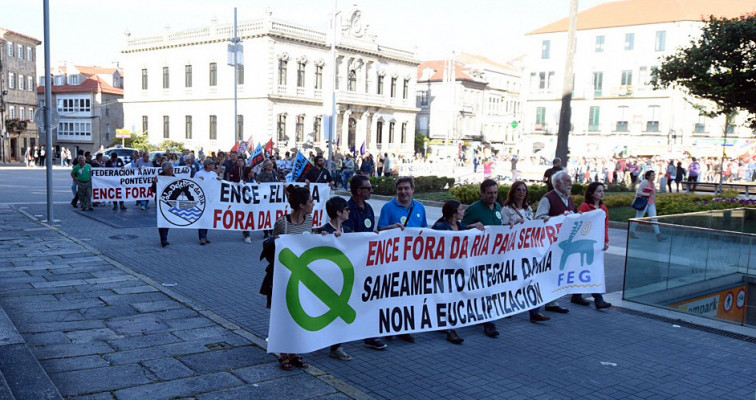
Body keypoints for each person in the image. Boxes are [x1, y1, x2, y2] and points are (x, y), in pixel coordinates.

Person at [342, 174, 389, 351]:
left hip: (368, 263)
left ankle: (369, 335)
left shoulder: (368, 208)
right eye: (368, 188)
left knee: (369, 299)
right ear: (359, 191)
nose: (371, 191)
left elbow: (371, 232)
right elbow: (349, 235)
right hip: (352, 263)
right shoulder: (347, 209)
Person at [377, 176, 426, 343]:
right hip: (393, 260)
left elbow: (425, 232)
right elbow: (379, 231)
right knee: (390, 294)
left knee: (408, 295)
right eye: (400, 189)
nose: (403, 192)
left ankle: (404, 327)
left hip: (413, 260)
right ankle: (388, 327)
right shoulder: (388, 208)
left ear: (413, 190)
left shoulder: (420, 208)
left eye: (406, 188)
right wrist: (390, 229)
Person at [271, 184, 314, 371]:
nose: (313, 204)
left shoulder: (310, 220)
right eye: (311, 201)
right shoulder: (283, 223)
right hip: (283, 276)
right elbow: (274, 248)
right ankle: (283, 353)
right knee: (284, 315)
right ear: (301, 205)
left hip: (302, 276)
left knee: (298, 314)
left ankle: (294, 352)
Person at [432, 200, 484, 344]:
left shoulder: (459, 226)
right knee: (448, 299)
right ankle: (450, 330)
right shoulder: (440, 227)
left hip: (457, 270)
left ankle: (446, 325)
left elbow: (467, 233)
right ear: (454, 213)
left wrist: (474, 226)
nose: (463, 212)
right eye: (461, 210)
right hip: (444, 270)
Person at [500, 181, 551, 323]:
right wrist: (513, 225)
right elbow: (502, 229)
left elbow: (534, 225)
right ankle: (507, 307)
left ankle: (535, 312)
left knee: (533, 279)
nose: (522, 192)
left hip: (528, 250)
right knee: (512, 280)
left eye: (524, 190)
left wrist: (543, 222)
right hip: (513, 251)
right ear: (513, 192)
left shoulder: (528, 209)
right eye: (518, 190)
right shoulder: (506, 210)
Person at [313, 196, 354, 361]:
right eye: (346, 209)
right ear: (338, 212)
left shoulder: (349, 231)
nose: (349, 212)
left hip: (344, 279)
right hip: (327, 281)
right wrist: (324, 239)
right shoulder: (323, 231)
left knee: (339, 314)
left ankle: (336, 346)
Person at [461, 179, 503, 337]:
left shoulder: (498, 207)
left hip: (495, 257)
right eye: (490, 193)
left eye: (495, 193)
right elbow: (460, 228)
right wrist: (472, 226)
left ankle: (487, 317)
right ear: (482, 193)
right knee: (483, 288)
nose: (493, 196)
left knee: (490, 289)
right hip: (478, 257)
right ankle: (488, 322)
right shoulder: (474, 209)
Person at [534, 171, 574, 314]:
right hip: (550, 243)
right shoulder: (548, 198)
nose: (571, 183)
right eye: (567, 181)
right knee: (547, 272)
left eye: (570, 180)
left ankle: (553, 300)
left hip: (563, 242)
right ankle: (545, 301)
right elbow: (539, 218)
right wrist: (557, 218)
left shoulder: (569, 199)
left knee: (558, 271)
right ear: (558, 183)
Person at [575, 182, 613, 309]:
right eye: (598, 191)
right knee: (590, 269)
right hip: (585, 244)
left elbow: (605, 225)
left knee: (591, 269)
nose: (602, 193)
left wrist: (606, 241)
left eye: (603, 191)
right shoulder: (585, 207)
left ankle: (576, 295)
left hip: (597, 244)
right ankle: (598, 299)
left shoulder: (604, 209)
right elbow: (580, 224)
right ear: (591, 193)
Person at [630, 170, 667, 241]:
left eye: (654, 175)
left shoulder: (652, 183)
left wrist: (654, 202)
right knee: (639, 217)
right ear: (648, 176)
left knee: (654, 218)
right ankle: (632, 231)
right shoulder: (645, 182)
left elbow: (654, 194)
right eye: (652, 175)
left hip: (651, 203)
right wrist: (648, 194)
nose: (654, 177)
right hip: (644, 203)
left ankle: (658, 234)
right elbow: (638, 192)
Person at [194, 159, 218, 245]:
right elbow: (193, 184)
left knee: (208, 218)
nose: (213, 166)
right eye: (212, 164)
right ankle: (202, 237)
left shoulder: (214, 174)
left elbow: (217, 185)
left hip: (211, 198)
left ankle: (205, 235)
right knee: (203, 217)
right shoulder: (199, 174)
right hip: (202, 198)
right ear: (207, 165)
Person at [154, 162, 175, 247]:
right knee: (162, 219)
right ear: (166, 170)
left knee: (168, 220)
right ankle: (163, 239)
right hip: (161, 201)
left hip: (170, 202)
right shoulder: (159, 177)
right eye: (170, 169)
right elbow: (153, 190)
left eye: (172, 168)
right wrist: (155, 183)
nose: (172, 170)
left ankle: (165, 235)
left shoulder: (173, 177)